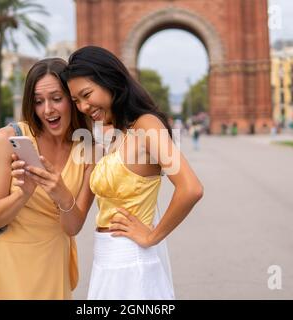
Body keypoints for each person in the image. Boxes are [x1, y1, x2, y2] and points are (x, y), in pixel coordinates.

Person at [62, 46, 204, 299]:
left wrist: (152, 236)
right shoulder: (112, 132)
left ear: (109, 79)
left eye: (86, 94)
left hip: (132, 263)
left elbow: (191, 188)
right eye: (76, 101)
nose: (83, 106)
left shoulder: (146, 125)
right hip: (104, 260)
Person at [0, 58, 95, 299]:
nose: (47, 110)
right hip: (9, 268)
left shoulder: (88, 149)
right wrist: (23, 194)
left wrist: (62, 195)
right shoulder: (8, 139)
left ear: (72, 99)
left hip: (54, 265)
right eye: (38, 101)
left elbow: (73, 226)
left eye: (56, 98)